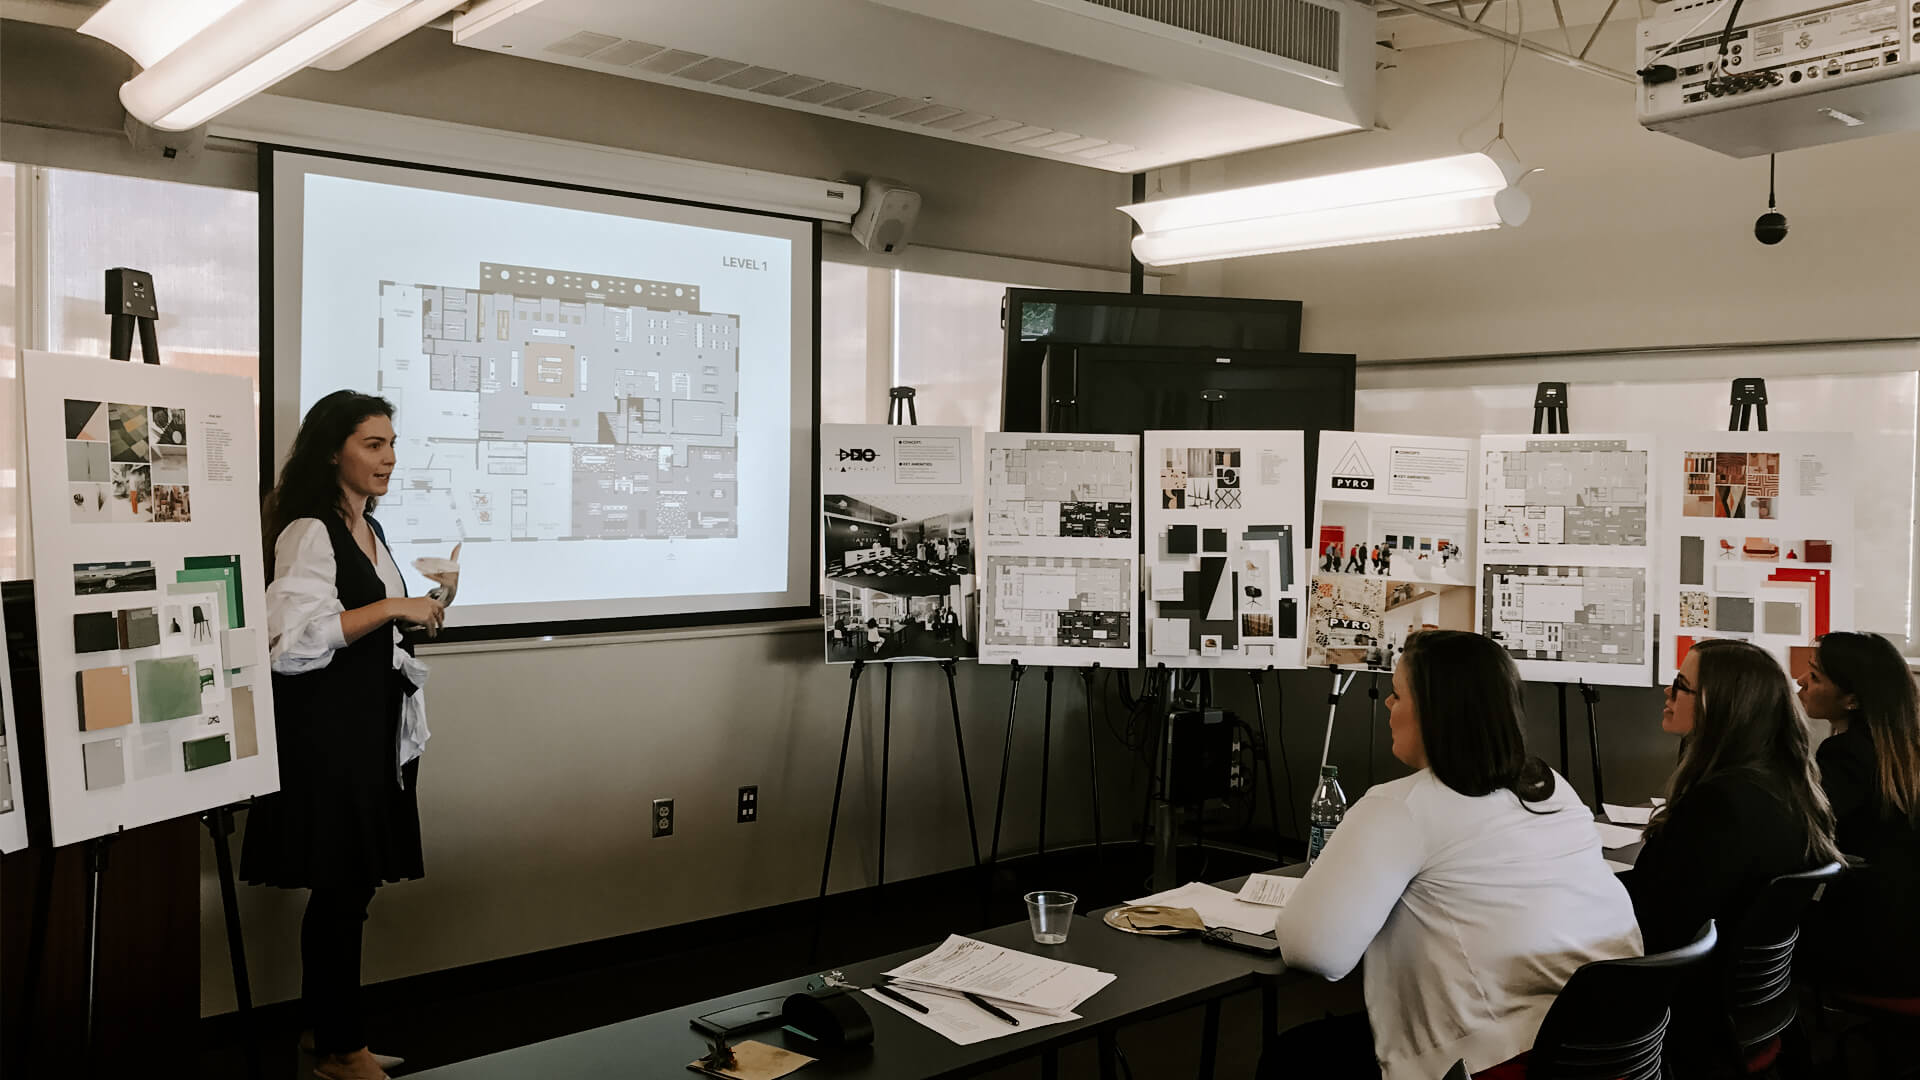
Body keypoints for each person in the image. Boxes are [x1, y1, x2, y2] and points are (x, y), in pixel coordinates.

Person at [1267, 631, 1640, 1080]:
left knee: (1292, 1059)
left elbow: (1314, 951)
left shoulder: (1401, 805)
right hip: (1607, 1045)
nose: (1388, 706)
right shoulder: (1550, 786)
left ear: (1433, 713)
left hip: (1492, 1059)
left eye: (1397, 695)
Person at [240, 391, 451, 1080]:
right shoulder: (308, 530)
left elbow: (365, 624)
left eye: (392, 444)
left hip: (370, 729)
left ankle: (324, 1035)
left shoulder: (370, 528)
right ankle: (342, 1049)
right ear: (334, 450)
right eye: (373, 445)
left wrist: (415, 615)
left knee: (349, 889)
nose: (389, 459)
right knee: (341, 888)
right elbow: (290, 642)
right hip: (328, 736)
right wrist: (391, 605)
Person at [1625, 639, 1842, 1071]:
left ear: (1717, 706)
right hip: (1750, 1009)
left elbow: (1658, 924)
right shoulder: (1787, 789)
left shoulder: (1721, 804)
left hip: (1686, 1017)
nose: (1667, 695)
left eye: (1679, 685)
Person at [1795, 631, 1920, 994]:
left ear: (1852, 700)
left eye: (1815, 677)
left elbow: (1802, 832)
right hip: (1904, 937)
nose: (1801, 682)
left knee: (1746, 935)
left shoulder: (1847, 754)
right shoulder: (1902, 750)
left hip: (1878, 948)